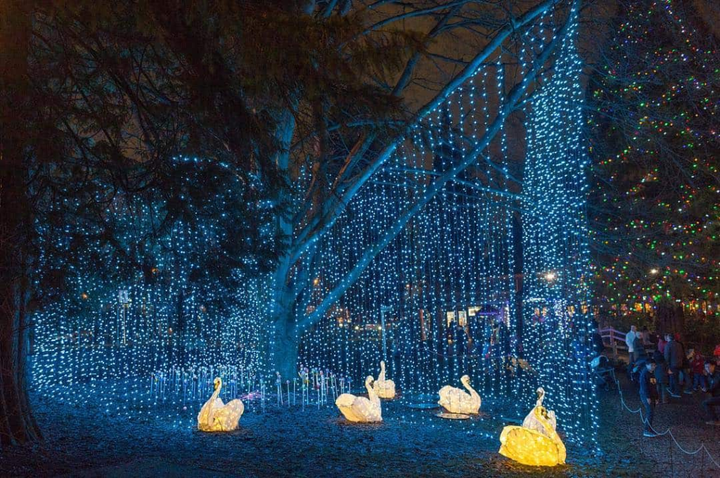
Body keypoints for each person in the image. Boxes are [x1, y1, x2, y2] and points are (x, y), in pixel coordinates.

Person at [639, 359, 659, 437]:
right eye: (651, 365)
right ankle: (646, 430)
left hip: (652, 395)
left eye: (654, 365)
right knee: (650, 412)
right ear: (647, 365)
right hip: (646, 395)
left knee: (651, 412)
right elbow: (644, 386)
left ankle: (649, 428)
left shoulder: (652, 373)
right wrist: (648, 397)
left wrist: (656, 397)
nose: (653, 367)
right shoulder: (644, 374)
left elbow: (654, 386)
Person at [664, 333, 684, 398]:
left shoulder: (668, 345)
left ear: (668, 338)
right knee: (673, 377)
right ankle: (671, 388)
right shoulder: (679, 345)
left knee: (674, 378)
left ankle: (677, 392)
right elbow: (682, 354)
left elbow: (666, 356)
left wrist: (666, 364)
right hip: (679, 363)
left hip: (672, 364)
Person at [701, 361, 720, 426]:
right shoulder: (710, 375)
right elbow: (707, 385)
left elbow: (713, 386)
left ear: (713, 366)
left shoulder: (717, 375)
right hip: (716, 395)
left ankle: (715, 420)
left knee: (705, 403)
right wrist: (704, 376)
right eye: (705, 367)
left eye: (708, 366)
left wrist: (707, 389)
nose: (707, 368)